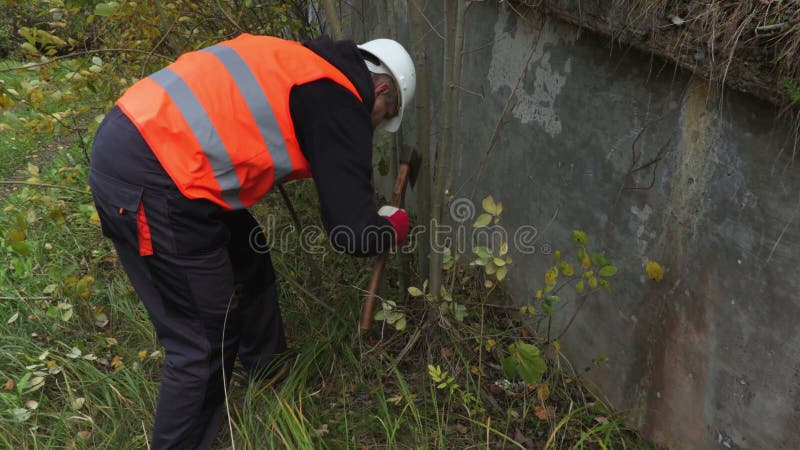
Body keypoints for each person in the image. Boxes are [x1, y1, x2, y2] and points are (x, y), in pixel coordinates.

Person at [88, 33, 415, 449]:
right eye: (386, 113)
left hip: (143, 140)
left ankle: (270, 370)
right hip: (155, 174)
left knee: (248, 252)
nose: (377, 124)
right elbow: (353, 235)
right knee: (203, 338)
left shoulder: (306, 63)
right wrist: (392, 227)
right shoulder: (339, 100)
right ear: (382, 88)